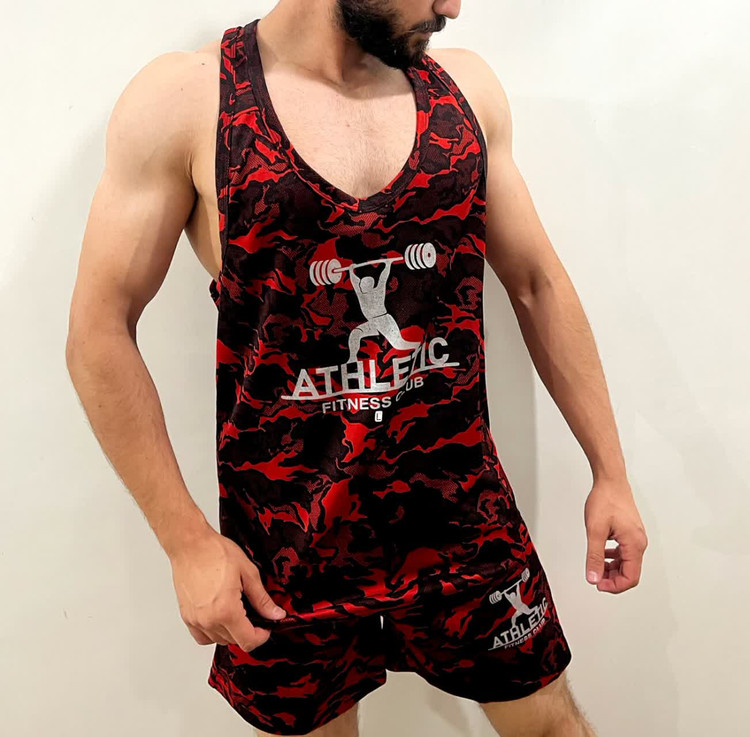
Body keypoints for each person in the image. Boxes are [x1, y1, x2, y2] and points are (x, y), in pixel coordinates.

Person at [65, 1, 648, 735]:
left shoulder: (464, 94)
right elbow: (98, 332)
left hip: (462, 520)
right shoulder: (190, 101)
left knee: (552, 728)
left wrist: (610, 471)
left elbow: (537, 284)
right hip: (286, 546)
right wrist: (186, 543)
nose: (452, 7)